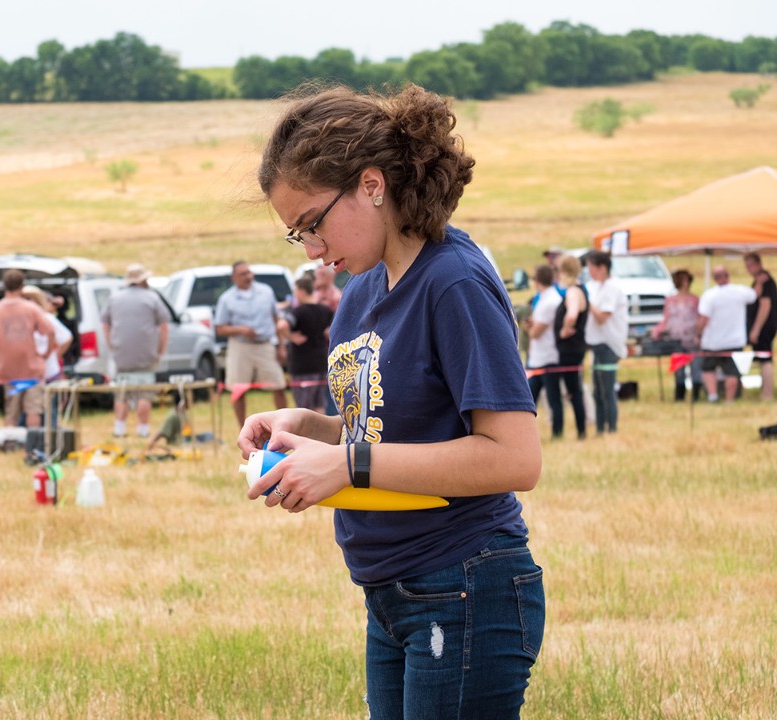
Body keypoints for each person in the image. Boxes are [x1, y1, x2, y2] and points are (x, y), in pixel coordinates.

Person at [243, 84, 543, 719]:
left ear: (371, 184)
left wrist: (347, 465)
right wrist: (307, 428)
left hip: (463, 582)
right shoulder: (361, 290)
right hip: (393, 592)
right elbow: (382, 429)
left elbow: (513, 457)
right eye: (297, 237)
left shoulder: (452, 280)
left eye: (312, 224)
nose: (315, 251)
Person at [215, 260, 289, 427]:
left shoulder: (265, 291)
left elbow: (276, 319)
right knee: (238, 388)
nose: (248, 277)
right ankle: (243, 427)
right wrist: (240, 330)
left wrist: (281, 346)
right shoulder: (226, 299)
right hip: (240, 346)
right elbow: (220, 328)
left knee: (278, 384)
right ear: (234, 278)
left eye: (249, 272)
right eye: (243, 274)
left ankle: (284, 424)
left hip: (265, 344)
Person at [0, 269, 54, 428]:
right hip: (31, 369)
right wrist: (45, 354)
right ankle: (34, 444)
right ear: (22, 285)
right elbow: (50, 331)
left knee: (11, 411)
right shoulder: (31, 308)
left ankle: (10, 442)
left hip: (8, 371)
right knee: (33, 410)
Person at [101, 263, 170, 438]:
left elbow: (105, 323)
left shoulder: (114, 298)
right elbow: (164, 325)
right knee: (144, 392)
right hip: (145, 353)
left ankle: (119, 428)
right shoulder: (151, 297)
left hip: (121, 353)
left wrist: (111, 344)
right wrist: (161, 349)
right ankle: (143, 429)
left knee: (122, 392)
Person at [697, 264, 757, 403]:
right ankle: (729, 400)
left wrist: (698, 334)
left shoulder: (709, 295)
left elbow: (703, 319)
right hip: (734, 341)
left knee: (709, 369)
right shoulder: (740, 291)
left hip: (713, 342)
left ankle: (713, 396)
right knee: (731, 372)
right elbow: (754, 295)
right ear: (727, 276)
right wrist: (759, 280)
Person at [584, 251, 628, 434]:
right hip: (597, 344)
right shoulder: (595, 287)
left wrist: (586, 303)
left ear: (602, 267)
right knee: (597, 392)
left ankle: (611, 427)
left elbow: (602, 317)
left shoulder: (612, 289)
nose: (589, 272)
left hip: (609, 344)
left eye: (591, 268)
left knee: (607, 390)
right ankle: (600, 428)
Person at [525, 265, 567, 437]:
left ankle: (557, 433)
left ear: (537, 280)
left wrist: (528, 327)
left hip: (547, 357)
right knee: (532, 401)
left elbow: (535, 331)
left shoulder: (549, 301)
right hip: (541, 357)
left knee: (552, 399)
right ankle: (526, 434)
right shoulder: (547, 298)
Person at [650, 268, 701, 401]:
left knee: (696, 368)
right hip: (676, 339)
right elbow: (666, 319)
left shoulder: (694, 299)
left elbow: (700, 318)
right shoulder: (670, 300)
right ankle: (679, 396)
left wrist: (699, 335)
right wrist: (657, 331)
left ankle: (696, 396)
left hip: (692, 338)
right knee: (679, 370)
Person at [286, 275, 334, 413]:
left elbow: (282, 325)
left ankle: (305, 435)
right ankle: (320, 435)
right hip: (321, 362)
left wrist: (290, 337)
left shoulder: (298, 312)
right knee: (320, 406)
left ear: (301, 291)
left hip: (303, 366)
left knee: (303, 409)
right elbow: (331, 331)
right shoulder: (325, 310)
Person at [553, 254, 588, 439]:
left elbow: (572, 314)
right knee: (574, 392)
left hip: (570, 351)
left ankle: (581, 431)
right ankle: (581, 430)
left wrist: (565, 330)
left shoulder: (573, 292)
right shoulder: (579, 289)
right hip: (573, 350)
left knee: (574, 392)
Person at [744, 252, 777, 401]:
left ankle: (768, 393)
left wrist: (756, 329)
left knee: (765, 358)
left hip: (764, 328)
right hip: (761, 327)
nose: (748, 269)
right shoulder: (759, 281)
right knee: (762, 357)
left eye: (750, 265)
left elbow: (765, 306)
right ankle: (765, 390)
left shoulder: (766, 281)